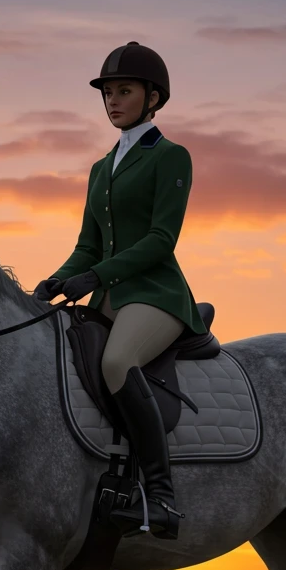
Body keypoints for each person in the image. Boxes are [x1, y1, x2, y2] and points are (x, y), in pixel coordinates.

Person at [33, 41, 208, 541]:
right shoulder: (99, 169)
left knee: (116, 363)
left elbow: (161, 240)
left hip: (156, 295)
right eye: (107, 93)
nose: (113, 101)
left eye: (124, 91)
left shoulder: (171, 157)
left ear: (153, 97)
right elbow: (87, 245)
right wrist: (53, 283)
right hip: (109, 296)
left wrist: (96, 277)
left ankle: (161, 497)